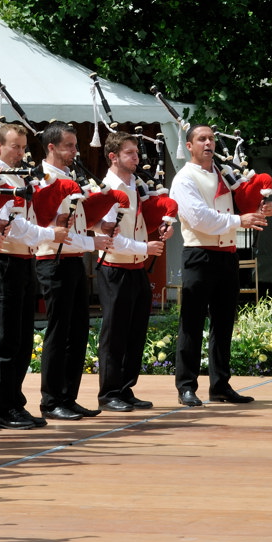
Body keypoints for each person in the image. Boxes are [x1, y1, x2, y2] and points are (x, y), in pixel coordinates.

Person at [168, 124, 272, 407]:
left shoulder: (224, 175)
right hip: (199, 254)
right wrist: (241, 220)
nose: (208, 143)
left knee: (224, 322)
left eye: (211, 139)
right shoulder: (184, 178)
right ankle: (186, 386)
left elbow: (241, 205)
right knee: (191, 322)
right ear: (189, 146)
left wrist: (263, 208)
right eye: (201, 139)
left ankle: (220, 385)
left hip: (227, 254)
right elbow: (199, 218)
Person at [0, 123, 68, 430]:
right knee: (6, 339)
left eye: (22, 147)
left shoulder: (21, 176)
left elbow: (30, 217)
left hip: (23, 261)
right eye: (14, 146)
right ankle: (2, 409)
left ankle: (15, 404)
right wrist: (49, 233)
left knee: (21, 339)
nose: (20, 152)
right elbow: (9, 223)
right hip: (4, 261)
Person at [35, 122, 111, 421]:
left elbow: (77, 221)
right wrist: (93, 240)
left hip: (75, 258)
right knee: (59, 330)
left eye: (75, 145)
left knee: (78, 330)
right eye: (69, 146)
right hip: (53, 260)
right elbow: (49, 226)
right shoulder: (43, 179)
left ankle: (69, 396)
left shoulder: (70, 177)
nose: (75, 151)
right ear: (51, 147)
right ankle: (51, 400)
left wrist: (97, 224)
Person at [96, 131, 173, 412]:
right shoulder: (107, 188)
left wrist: (161, 227)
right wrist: (144, 248)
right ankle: (109, 392)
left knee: (135, 332)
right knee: (114, 333)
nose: (136, 157)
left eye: (136, 153)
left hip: (136, 267)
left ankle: (126, 388)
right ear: (114, 156)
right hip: (115, 267)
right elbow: (108, 236)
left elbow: (140, 223)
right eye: (130, 153)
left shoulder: (135, 184)